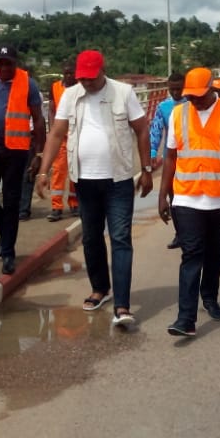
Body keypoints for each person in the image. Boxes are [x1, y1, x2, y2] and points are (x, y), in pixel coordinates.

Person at [35, 50, 153, 328]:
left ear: (102, 71)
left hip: (118, 179)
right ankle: (101, 289)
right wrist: (44, 169)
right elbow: (56, 133)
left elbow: (142, 129)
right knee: (90, 238)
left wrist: (146, 169)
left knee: (121, 238)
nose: (86, 83)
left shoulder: (123, 93)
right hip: (84, 180)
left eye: (91, 78)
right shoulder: (71, 95)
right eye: (82, 78)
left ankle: (122, 306)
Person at [158, 67, 220, 336]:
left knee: (215, 253)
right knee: (191, 254)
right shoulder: (178, 113)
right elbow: (171, 157)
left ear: (212, 89)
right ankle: (185, 318)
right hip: (186, 196)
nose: (194, 101)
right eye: (190, 96)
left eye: (198, 96)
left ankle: (209, 296)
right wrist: (163, 194)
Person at [0, 45, 46, 275]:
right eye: (0, 62)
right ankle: (6, 233)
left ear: (16, 63)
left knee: (13, 201)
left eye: (8, 63)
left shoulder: (28, 83)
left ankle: (8, 252)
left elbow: (39, 119)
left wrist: (39, 154)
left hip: (16, 150)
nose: (4, 67)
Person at [149, 72, 186, 248]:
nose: (176, 92)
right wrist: (152, 152)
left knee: (189, 198)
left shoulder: (193, 104)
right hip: (170, 159)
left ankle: (194, 233)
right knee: (174, 198)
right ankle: (180, 234)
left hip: (190, 160)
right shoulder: (163, 107)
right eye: (172, 89)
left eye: (179, 89)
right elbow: (156, 130)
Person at [45, 60, 79, 221]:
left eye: (71, 72)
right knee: (58, 171)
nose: (68, 75)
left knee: (75, 172)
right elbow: (51, 110)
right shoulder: (55, 88)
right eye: (66, 72)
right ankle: (56, 206)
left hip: (77, 136)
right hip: (61, 138)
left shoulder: (81, 89)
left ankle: (74, 203)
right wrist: (53, 130)